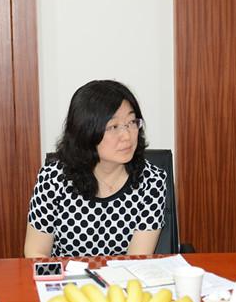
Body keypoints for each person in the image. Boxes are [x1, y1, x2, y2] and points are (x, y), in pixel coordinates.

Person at [24, 80, 167, 257]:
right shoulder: (53, 179)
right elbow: (36, 252)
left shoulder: (151, 181)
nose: (127, 135)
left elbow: (137, 260)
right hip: (63, 274)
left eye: (131, 122)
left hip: (124, 275)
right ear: (86, 132)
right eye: (114, 126)